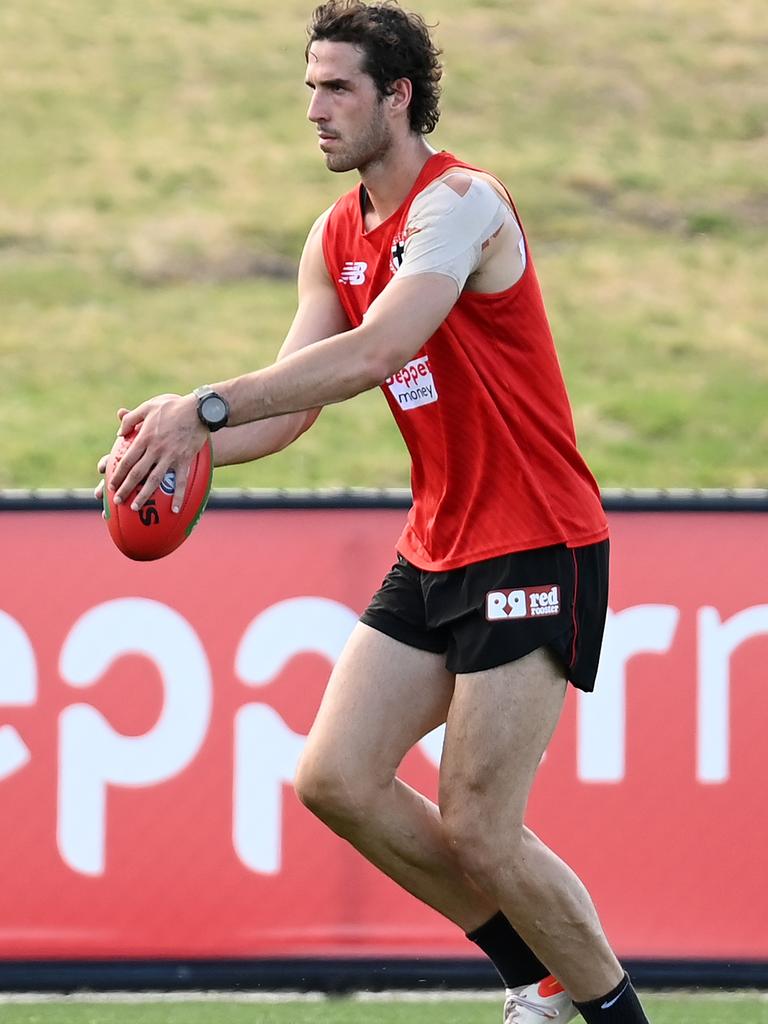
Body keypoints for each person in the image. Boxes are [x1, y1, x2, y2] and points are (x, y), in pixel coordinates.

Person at [101, 3, 651, 1021]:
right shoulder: (335, 232)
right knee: (335, 778)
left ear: (399, 96)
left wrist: (204, 406)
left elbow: (375, 352)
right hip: (439, 542)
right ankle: (535, 976)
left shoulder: (462, 204)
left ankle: (613, 1011)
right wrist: (175, 443)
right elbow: (296, 401)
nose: (314, 109)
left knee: (482, 822)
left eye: (338, 87)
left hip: (535, 536)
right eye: (310, 86)